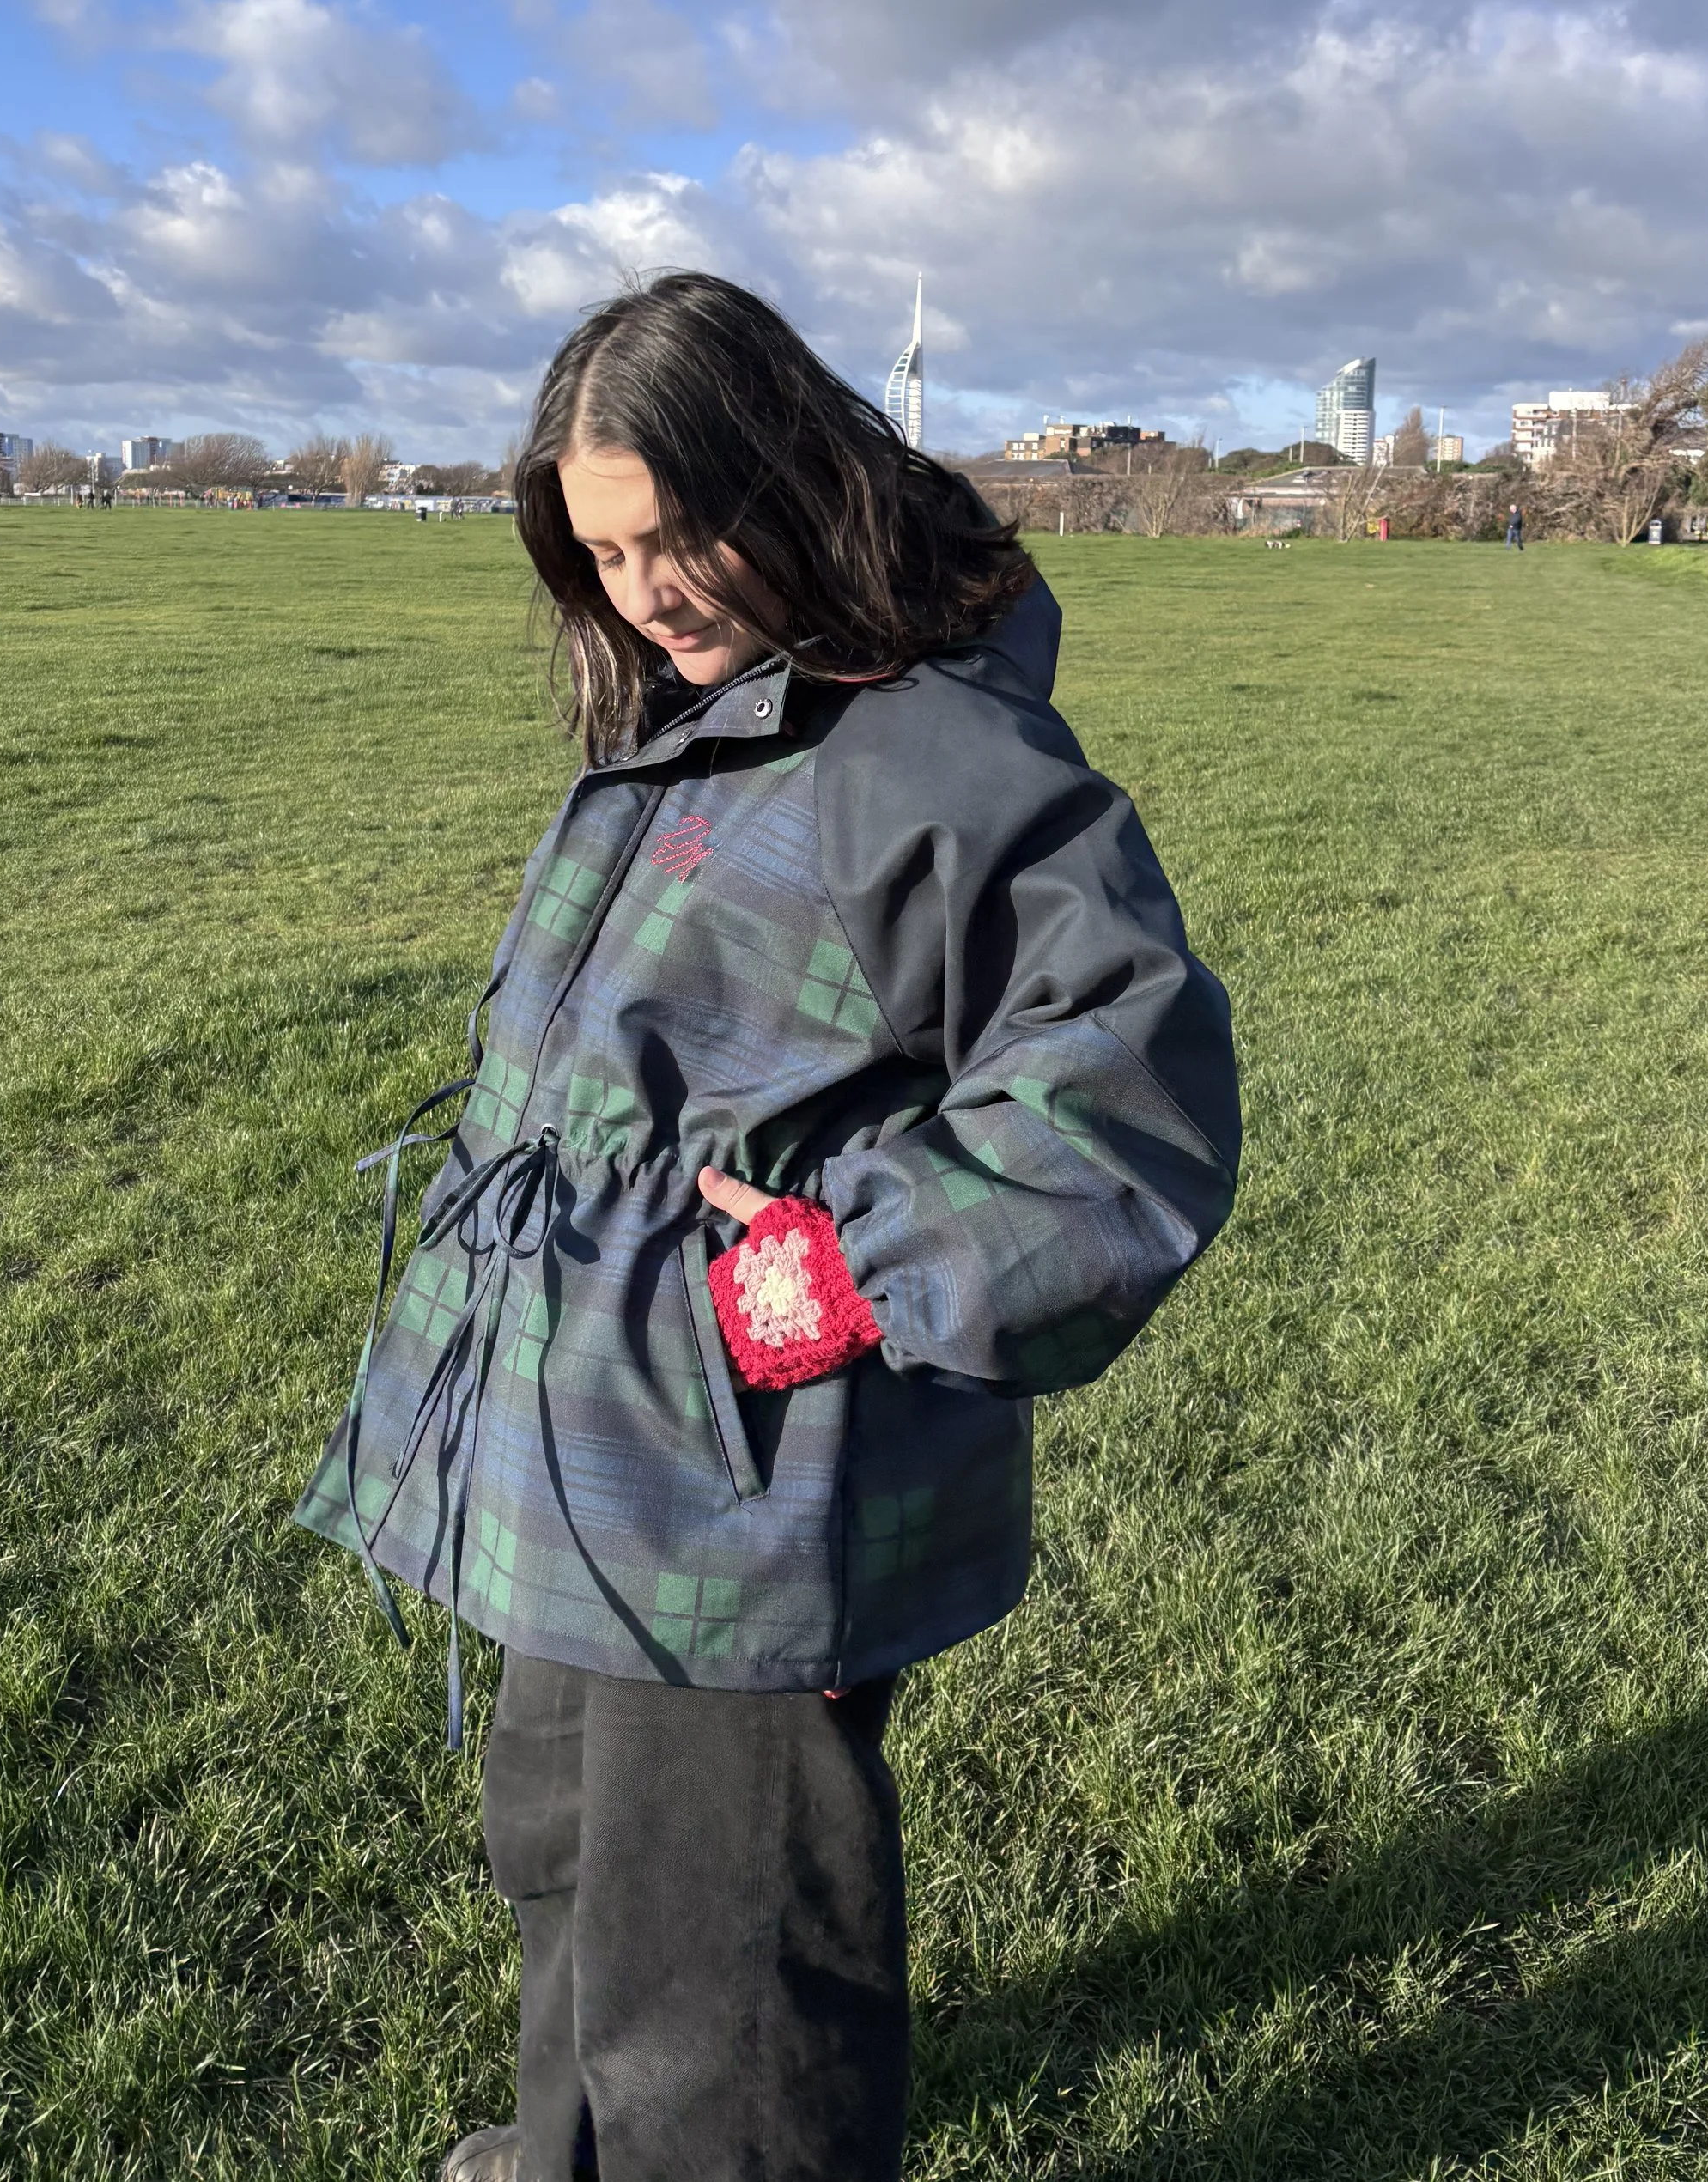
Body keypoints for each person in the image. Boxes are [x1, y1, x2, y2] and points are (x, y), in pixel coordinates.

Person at [295, 272, 1241, 2182]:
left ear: (789, 469)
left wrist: (842, 1265)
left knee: (717, 1984)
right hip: (593, 1452)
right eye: (603, 553)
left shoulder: (930, 761)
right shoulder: (708, 710)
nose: (641, 589)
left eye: (669, 535)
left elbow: (1124, 1104)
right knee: (567, 1858)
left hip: (738, 1477)